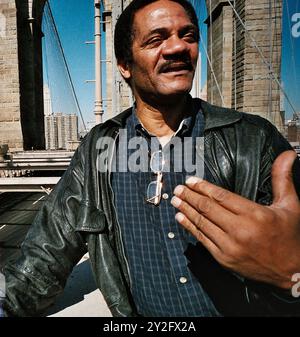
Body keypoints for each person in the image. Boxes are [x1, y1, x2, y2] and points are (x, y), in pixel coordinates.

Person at [2, 0, 300, 317]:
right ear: (125, 65)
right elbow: (43, 256)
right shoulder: (97, 150)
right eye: (156, 39)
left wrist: (290, 274)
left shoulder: (255, 140)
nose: (177, 47)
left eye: (187, 35)